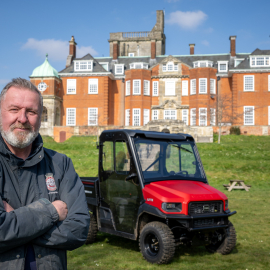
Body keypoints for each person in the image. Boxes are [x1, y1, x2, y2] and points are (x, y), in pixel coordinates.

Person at [0, 78, 90, 270]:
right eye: (14, 109)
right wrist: (51, 212)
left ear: (40, 117)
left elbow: (79, 229)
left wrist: (15, 222)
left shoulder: (60, 163)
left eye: (31, 111)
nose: (22, 119)